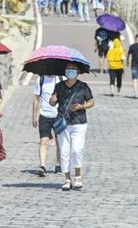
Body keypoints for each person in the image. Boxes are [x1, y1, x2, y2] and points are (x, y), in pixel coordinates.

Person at [49, 63, 94, 191]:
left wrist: (82, 106)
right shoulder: (59, 86)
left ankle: (78, 175)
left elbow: (91, 101)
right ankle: (67, 178)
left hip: (79, 122)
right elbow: (52, 102)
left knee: (76, 149)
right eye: (68, 69)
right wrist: (52, 100)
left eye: (73, 69)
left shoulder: (83, 87)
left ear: (78, 71)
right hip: (63, 123)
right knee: (64, 151)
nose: (70, 71)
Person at [32, 75, 62, 176]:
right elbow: (36, 99)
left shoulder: (62, 79)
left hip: (59, 116)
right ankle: (42, 166)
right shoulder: (41, 80)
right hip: (44, 115)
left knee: (59, 141)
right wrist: (34, 116)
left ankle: (58, 165)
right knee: (43, 141)